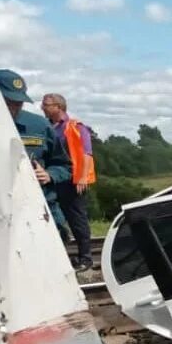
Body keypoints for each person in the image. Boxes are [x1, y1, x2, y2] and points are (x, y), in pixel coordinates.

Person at [0, 69, 70, 235]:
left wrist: (49, 174)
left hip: (38, 214)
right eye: (7, 102)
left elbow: (63, 165)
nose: (13, 108)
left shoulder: (39, 126)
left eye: (18, 103)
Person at [41, 93, 96, 271]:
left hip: (72, 180)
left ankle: (86, 258)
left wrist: (82, 177)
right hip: (52, 178)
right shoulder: (47, 127)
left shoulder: (76, 127)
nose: (43, 107)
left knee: (76, 219)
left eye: (47, 104)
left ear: (59, 107)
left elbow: (87, 153)